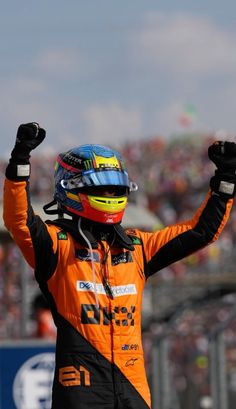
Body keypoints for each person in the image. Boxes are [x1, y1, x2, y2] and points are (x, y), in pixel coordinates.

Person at [3, 122, 236, 409]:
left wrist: (225, 179)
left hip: (133, 384)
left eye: (116, 189)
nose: (111, 197)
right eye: (103, 189)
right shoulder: (57, 245)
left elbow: (201, 231)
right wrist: (20, 161)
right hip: (80, 386)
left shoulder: (138, 246)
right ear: (72, 188)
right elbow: (19, 221)